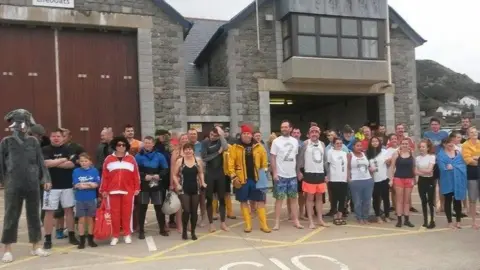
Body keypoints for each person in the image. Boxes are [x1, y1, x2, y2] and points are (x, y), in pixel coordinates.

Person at [1, 109, 51, 263]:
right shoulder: (6, 142)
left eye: (25, 124)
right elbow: (1, 164)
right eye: (20, 124)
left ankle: (36, 246)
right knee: (11, 215)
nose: (23, 127)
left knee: (34, 215)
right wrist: (3, 181)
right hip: (13, 184)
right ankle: (7, 249)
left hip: (32, 183)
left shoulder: (33, 141)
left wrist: (46, 178)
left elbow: (40, 161)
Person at [228, 124, 271, 233]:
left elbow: (264, 163)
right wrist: (233, 176)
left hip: (257, 178)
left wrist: (263, 175)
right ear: (241, 135)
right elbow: (230, 163)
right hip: (242, 179)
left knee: (261, 200)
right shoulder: (234, 147)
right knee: (243, 201)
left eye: (248, 133)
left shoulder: (259, 147)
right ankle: (248, 225)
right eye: (244, 133)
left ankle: (264, 225)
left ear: (251, 135)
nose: (246, 135)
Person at [42, 129, 80, 249]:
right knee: (49, 212)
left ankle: (72, 235)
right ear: (50, 137)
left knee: (69, 211)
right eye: (53, 136)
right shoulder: (45, 150)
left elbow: (72, 164)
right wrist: (63, 159)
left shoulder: (69, 149)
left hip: (68, 185)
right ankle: (47, 239)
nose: (56, 138)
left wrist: (54, 162)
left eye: (58, 136)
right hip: (50, 186)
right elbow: (45, 164)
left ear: (63, 138)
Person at [100, 136, 140, 246]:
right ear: (114, 146)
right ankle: (115, 235)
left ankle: (127, 234)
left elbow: (135, 175)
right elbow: (105, 176)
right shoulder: (108, 159)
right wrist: (103, 189)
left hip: (128, 190)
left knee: (127, 213)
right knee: (114, 214)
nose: (121, 147)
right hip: (112, 191)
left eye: (123, 145)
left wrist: (137, 188)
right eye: (119, 145)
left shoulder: (131, 159)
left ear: (126, 146)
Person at [135, 136, 170, 239]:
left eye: (149, 143)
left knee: (159, 207)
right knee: (142, 208)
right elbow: (135, 171)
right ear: (143, 144)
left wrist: (159, 175)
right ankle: (141, 230)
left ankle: (162, 229)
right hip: (144, 184)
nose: (147, 145)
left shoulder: (159, 156)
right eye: (146, 143)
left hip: (156, 183)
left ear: (153, 144)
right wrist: (143, 176)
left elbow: (165, 169)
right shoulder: (138, 156)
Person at [271, 120, 303, 230]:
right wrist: (274, 173)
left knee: (294, 199)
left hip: (292, 175)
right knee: (279, 200)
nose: (283, 129)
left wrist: (298, 171)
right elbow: (273, 158)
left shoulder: (295, 141)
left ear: (290, 129)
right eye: (282, 127)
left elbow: (297, 158)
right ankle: (277, 222)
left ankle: (296, 220)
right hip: (280, 175)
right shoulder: (276, 141)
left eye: (286, 127)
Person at [172, 143, 207, 240]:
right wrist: (177, 184)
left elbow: (200, 173)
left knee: (194, 211)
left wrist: (202, 182)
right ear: (183, 150)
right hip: (184, 189)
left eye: (190, 149)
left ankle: (193, 232)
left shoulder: (198, 160)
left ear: (193, 150)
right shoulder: (180, 161)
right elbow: (174, 174)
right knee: (186, 210)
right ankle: (184, 231)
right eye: (186, 149)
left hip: (195, 189)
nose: (188, 151)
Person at [296, 124, 329, 229]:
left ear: (319, 134)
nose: (314, 134)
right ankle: (311, 221)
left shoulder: (322, 144)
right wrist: (299, 171)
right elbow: (299, 159)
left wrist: (327, 174)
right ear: (309, 134)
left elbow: (325, 161)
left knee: (319, 198)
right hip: (309, 173)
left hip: (320, 174)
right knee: (309, 198)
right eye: (312, 132)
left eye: (316, 132)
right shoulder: (305, 144)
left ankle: (320, 219)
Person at [201, 126, 229, 232]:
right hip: (209, 173)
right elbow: (204, 157)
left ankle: (223, 222)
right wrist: (218, 152)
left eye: (215, 136)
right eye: (211, 134)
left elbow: (225, 147)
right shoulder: (205, 143)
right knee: (210, 199)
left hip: (220, 173)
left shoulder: (220, 141)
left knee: (222, 198)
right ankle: (211, 224)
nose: (212, 137)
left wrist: (221, 135)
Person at [437, 136, 467, 229]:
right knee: (448, 200)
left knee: (458, 201)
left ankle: (458, 221)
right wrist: (447, 167)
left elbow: (463, 166)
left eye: (452, 142)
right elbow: (442, 168)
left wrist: (453, 167)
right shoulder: (440, 155)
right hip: (447, 180)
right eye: (448, 143)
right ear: (444, 144)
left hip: (458, 180)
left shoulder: (458, 153)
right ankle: (449, 222)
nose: (451, 144)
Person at [72, 153, 100, 249]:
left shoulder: (94, 171)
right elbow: (77, 185)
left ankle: (91, 239)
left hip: (91, 199)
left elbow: (96, 184)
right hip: (80, 199)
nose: (83, 163)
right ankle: (82, 240)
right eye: (81, 161)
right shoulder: (76, 171)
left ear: (90, 162)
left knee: (90, 219)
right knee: (81, 220)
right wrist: (89, 184)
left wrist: (84, 184)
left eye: (85, 161)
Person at [390, 138, 416, 228]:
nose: (405, 145)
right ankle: (399, 220)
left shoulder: (411, 154)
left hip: (409, 178)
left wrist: (414, 178)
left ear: (409, 145)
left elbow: (413, 167)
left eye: (406, 143)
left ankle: (407, 220)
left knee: (407, 201)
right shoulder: (396, 154)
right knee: (399, 200)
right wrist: (391, 179)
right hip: (398, 178)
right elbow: (392, 167)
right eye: (403, 143)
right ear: (400, 144)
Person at [348, 141, 374, 224]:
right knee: (357, 201)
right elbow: (348, 167)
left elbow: (368, 166)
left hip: (367, 180)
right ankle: (359, 217)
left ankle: (365, 217)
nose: (359, 147)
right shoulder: (350, 155)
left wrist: (371, 175)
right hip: (355, 181)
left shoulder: (364, 154)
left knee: (367, 201)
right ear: (353, 147)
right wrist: (349, 178)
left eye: (360, 146)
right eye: (357, 146)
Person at [367, 137, 391, 223]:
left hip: (384, 178)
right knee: (376, 199)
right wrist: (369, 168)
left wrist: (389, 161)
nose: (375, 143)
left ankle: (387, 215)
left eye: (376, 141)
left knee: (386, 198)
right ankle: (377, 216)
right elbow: (365, 165)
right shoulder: (368, 153)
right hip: (374, 180)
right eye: (373, 141)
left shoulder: (384, 152)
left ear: (379, 142)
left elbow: (389, 163)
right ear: (370, 143)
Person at [170, 133, 190, 232]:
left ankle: (188, 224)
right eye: (183, 138)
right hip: (178, 180)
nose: (185, 140)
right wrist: (172, 183)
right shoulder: (176, 152)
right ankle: (180, 225)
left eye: (186, 138)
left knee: (188, 204)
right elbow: (172, 168)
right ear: (180, 140)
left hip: (190, 180)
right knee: (179, 205)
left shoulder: (191, 151)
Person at [415, 140, 436, 229]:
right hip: (421, 181)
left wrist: (421, 171)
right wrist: (424, 172)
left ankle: (432, 220)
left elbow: (430, 170)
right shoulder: (417, 158)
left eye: (423, 147)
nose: (421, 148)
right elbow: (415, 171)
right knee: (423, 201)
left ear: (428, 148)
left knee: (430, 201)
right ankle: (425, 220)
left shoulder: (431, 157)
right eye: (420, 147)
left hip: (430, 181)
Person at [327, 138, 349, 225]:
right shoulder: (330, 152)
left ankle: (340, 214)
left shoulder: (345, 153)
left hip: (343, 178)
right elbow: (328, 165)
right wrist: (327, 176)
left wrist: (347, 176)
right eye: (337, 143)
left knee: (342, 198)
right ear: (333, 144)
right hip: (334, 178)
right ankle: (335, 215)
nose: (339, 145)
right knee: (334, 198)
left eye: (340, 143)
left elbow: (347, 166)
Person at [462, 127, 480, 229]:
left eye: (475, 132)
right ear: (468, 135)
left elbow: (473, 159)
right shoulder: (465, 145)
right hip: (471, 174)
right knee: (472, 199)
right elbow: (468, 160)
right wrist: (476, 158)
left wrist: (474, 158)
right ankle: (474, 221)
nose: (474, 133)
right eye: (471, 132)